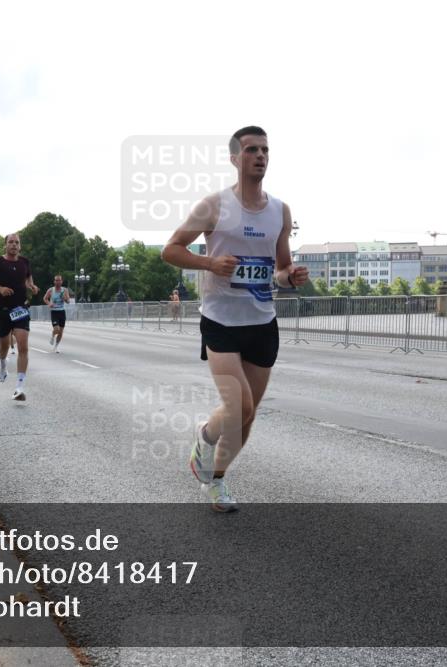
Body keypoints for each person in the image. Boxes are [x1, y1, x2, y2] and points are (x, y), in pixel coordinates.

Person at [162, 126, 308, 513]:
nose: (260, 156)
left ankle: (217, 479)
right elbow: (170, 250)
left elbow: (280, 268)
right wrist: (210, 262)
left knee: (248, 416)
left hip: (261, 322)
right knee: (237, 407)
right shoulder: (213, 206)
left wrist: (289, 277)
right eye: (251, 150)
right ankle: (204, 438)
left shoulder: (280, 210)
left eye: (265, 150)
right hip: (221, 320)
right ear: (234, 157)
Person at [0, 233, 39, 400]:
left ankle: (19, 387)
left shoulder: (25, 262)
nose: (14, 245)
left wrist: (31, 285)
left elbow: (27, 278)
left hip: (21, 309)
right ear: (5, 245)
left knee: (23, 346)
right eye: (11, 242)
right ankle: (3, 365)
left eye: (17, 242)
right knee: (4, 346)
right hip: (3, 310)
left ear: (20, 246)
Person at [43, 275, 72, 352]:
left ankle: (56, 346)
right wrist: (49, 304)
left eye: (59, 280)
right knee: (56, 329)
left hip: (62, 312)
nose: (58, 282)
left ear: (61, 281)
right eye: (56, 280)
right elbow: (45, 298)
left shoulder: (65, 290)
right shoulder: (51, 290)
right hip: (54, 312)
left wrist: (64, 298)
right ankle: (52, 336)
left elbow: (68, 301)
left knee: (61, 331)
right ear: (54, 281)